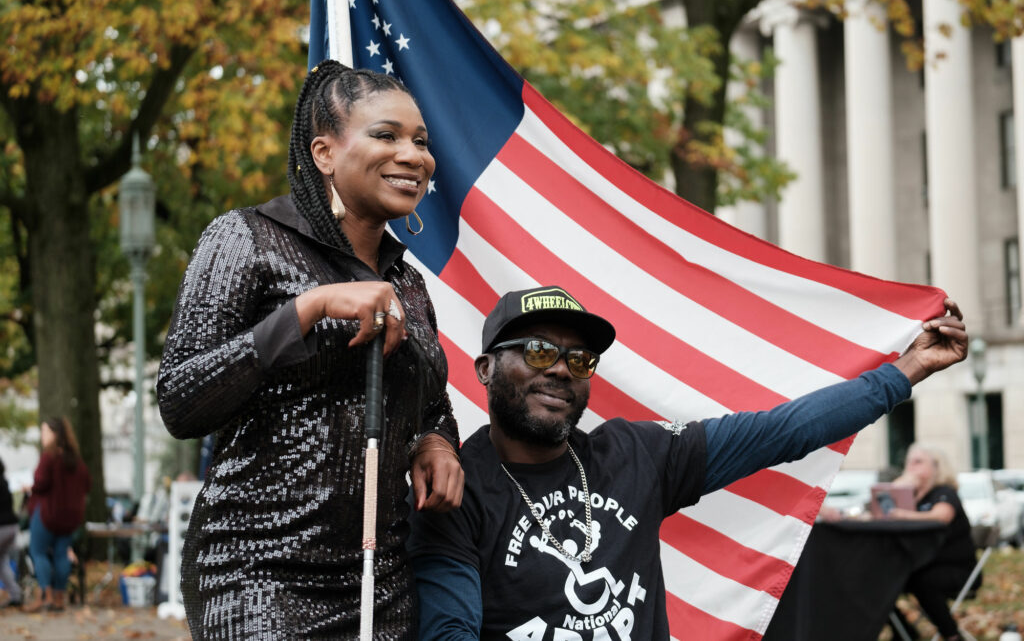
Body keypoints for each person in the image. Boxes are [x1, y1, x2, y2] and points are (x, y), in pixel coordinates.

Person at [407, 285, 968, 640]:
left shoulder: (636, 453)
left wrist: (905, 371)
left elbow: (783, 431)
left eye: (579, 359)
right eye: (537, 351)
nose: (560, 369)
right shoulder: (458, 485)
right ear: (484, 368)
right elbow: (449, 627)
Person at [157, 61, 463, 639]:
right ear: (324, 153)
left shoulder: (408, 283)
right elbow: (180, 400)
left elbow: (429, 402)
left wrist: (436, 442)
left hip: (381, 579)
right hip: (257, 577)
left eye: (421, 142)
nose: (414, 155)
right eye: (386, 135)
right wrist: (307, 310)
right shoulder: (244, 237)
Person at [886, 442, 978, 641]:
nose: (911, 467)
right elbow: (883, 511)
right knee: (878, 581)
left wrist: (903, 514)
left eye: (918, 462)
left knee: (923, 581)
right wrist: (897, 489)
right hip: (921, 565)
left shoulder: (944, 493)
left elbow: (941, 516)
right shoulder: (913, 498)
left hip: (956, 569)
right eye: (909, 462)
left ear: (936, 466)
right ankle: (904, 632)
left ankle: (952, 635)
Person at [23, 417, 91, 613]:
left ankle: (46, 596)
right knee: (62, 554)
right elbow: (87, 484)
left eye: (45, 431)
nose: (42, 436)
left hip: (47, 515)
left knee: (38, 552)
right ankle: (60, 598)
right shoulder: (75, 460)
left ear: (54, 434)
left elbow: (41, 482)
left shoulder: (49, 456)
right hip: (69, 518)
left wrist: (31, 487)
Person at [0, 456, 22, 608]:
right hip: (11, 526)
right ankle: (16, 595)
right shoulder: (4, 481)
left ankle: (16, 594)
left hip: (2, 527)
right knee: (2, 562)